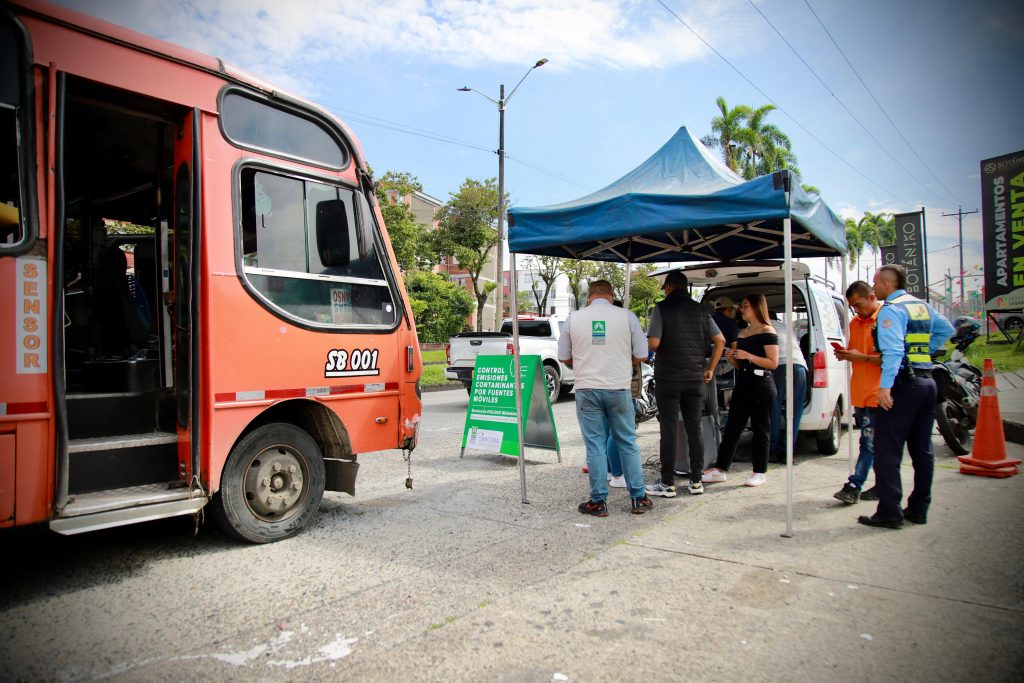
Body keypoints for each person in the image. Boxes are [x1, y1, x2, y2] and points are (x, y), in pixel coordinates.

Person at [858, 265, 954, 529]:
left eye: (876, 283)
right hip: (927, 381)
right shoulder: (921, 306)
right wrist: (923, 353)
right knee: (922, 450)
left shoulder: (891, 309)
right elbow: (947, 330)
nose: (874, 288)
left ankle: (890, 511)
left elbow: (893, 352)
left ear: (886, 285)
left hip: (904, 384)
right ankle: (919, 509)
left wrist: (885, 387)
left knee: (886, 449)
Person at [558, 280, 654, 516]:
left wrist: (581, 361)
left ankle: (598, 501)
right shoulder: (628, 316)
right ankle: (638, 498)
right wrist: (622, 359)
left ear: (589, 296)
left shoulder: (574, 318)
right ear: (611, 295)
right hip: (619, 388)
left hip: (586, 389)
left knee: (595, 445)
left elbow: (563, 357)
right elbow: (642, 355)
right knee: (628, 443)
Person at [645, 270, 726, 498]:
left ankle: (668, 483)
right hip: (695, 378)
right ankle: (696, 481)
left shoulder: (661, 308)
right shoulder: (701, 310)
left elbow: (654, 343)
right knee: (695, 428)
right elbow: (720, 340)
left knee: (669, 428)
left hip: (668, 378)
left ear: (669, 287)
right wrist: (710, 369)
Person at [703, 293, 779, 487]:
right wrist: (733, 357)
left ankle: (759, 470)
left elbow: (773, 363)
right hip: (743, 383)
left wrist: (749, 356)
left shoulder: (767, 331)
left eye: (745, 305)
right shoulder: (742, 332)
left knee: (761, 428)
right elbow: (740, 364)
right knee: (733, 427)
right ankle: (721, 468)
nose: (742, 309)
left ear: (756, 308)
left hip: (762, 384)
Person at [832, 281, 883, 504]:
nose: (856, 310)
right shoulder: (855, 323)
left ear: (872, 296)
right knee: (871, 443)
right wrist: (845, 355)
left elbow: (889, 358)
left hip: (879, 393)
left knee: (869, 442)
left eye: (859, 305)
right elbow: (859, 354)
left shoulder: (886, 319)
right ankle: (883, 484)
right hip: (860, 393)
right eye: (853, 307)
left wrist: (860, 357)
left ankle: (854, 485)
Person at [768, 312, 808, 462]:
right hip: (800, 367)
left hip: (781, 366)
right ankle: (788, 452)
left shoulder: (764, 327)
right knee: (795, 412)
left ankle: (775, 449)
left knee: (775, 408)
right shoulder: (784, 326)